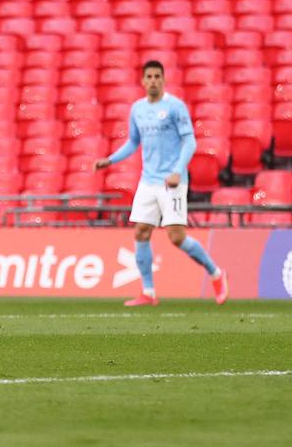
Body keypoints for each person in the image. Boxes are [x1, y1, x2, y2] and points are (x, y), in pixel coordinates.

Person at [95, 60, 227, 307]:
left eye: (158, 76)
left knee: (176, 237)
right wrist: (110, 160)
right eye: (149, 76)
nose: (154, 80)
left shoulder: (175, 107)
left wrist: (178, 171)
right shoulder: (137, 109)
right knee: (141, 231)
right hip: (148, 180)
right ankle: (149, 292)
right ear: (143, 81)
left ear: (163, 79)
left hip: (172, 182)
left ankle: (216, 274)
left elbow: (190, 142)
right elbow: (134, 142)